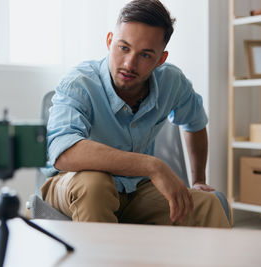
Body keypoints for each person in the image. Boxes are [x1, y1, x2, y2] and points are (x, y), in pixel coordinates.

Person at [40, 0, 230, 228]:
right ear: (110, 41)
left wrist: (199, 179)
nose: (130, 64)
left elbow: (195, 122)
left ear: (161, 59)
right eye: (123, 48)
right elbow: (64, 153)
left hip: (134, 188)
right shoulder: (79, 83)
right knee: (95, 185)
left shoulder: (172, 81)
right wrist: (152, 166)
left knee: (207, 205)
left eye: (146, 55)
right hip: (69, 183)